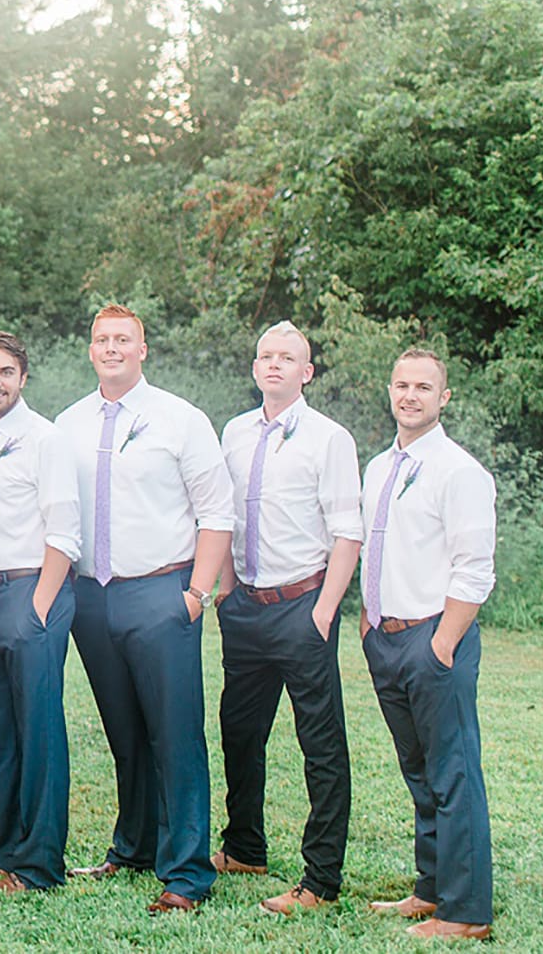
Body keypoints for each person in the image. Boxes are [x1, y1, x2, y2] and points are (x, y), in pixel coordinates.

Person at [54, 304, 233, 914]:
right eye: (102, 339)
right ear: (91, 350)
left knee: (175, 735)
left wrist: (196, 594)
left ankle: (185, 873)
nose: (112, 348)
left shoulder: (181, 419)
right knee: (124, 732)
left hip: (161, 591)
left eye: (123, 339)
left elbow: (217, 511)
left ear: (142, 349)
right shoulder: (68, 424)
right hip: (91, 596)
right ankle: (133, 847)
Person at [213, 322, 363, 913]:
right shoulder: (234, 432)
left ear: (307, 372)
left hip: (304, 605)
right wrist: (227, 591)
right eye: (266, 356)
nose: (274, 364)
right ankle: (244, 846)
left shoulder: (329, 438)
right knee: (238, 732)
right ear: (255, 368)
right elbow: (224, 516)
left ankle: (321, 879)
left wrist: (324, 611)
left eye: (287, 357)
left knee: (320, 745)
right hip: (246, 607)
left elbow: (347, 532)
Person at [360, 348, 496, 941]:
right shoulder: (378, 467)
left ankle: (465, 912)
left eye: (423, 387)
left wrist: (442, 642)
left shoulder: (459, 471)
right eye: (401, 385)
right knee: (419, 770)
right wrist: (368, 622)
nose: (410, 396)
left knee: (453, 771)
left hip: (435, 638)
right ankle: (431, 888)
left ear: (444, 398)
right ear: (389, 391)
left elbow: (475, 568)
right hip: (386, 637)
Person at [0, 330, 79, 894]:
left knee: (39, 734)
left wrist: (38, 608)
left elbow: (65, 532)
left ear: (23, 377)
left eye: (6, 372)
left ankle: (39, 866)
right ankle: (9, 857)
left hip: (33, 591)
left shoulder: (45, 440)